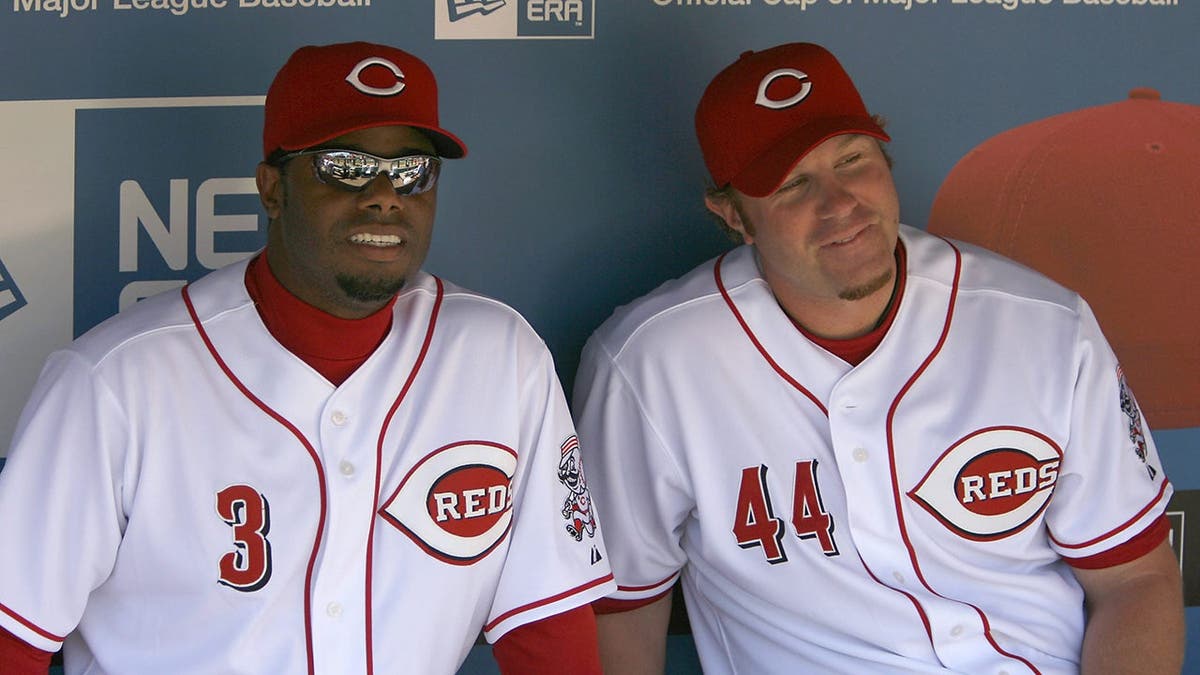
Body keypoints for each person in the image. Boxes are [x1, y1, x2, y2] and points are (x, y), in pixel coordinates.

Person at [0, 41, 614, 674]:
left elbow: (547, 622)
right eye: (345, 166)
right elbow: (11, 635)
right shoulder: (115, 381)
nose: (384, 195)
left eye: (412, 170)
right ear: (272, 187)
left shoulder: (500, 357)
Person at [572, 42, 1184, 674]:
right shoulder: (649, 363)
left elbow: (1135, 579)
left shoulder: (1045, 327)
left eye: (853, 160)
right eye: (793, 184)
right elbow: (617, 610)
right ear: (733, 215)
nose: (840, 204)